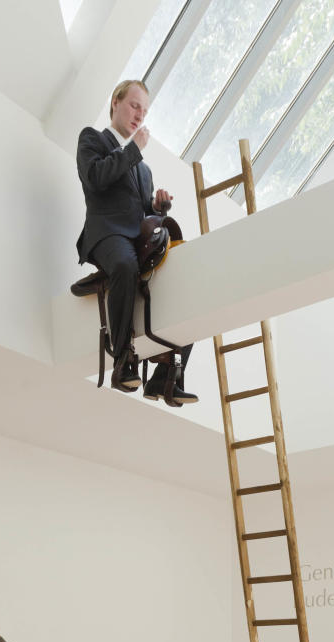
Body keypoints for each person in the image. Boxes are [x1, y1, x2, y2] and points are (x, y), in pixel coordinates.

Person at [76, 78, 197, 405]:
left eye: (144, 110)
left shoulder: (143, 170)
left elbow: (141, 210)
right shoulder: (92, 139)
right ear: (115, 102)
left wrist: (156, 205)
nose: (139, 115)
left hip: (136, 234)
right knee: (125, 264)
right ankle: (122, 359)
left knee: (187, 279)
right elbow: (97, 178)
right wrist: (133, 150)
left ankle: (168, 374)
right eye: (133, 105)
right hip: (107, 234)